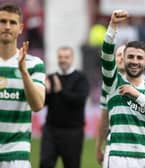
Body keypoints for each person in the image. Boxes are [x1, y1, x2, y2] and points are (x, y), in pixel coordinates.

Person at [99, 9, 145, 168]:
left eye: (139, 58)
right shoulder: (113, 82)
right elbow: (106, 56)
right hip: (118, 157)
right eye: (130, 57)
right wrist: (113, 26)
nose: (134, 61)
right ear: (123, 59)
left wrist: (136, 95)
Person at [0, 3, 45, 168]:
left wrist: (23, 72)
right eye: (2, 21)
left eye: (12, 23)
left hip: (17, 155)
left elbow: (38, 105)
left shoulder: (34, 64)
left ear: (20, 28)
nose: (6, 26)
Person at [39, 46, 89, 168]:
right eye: (60, 57)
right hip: (51, 130)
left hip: (73, 132)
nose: (63, 60)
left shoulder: (81, 78)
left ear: (72, 59)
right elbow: (41, 104)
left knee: (72, 165)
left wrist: (60, 91)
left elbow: (79, 100)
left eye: (66, 57)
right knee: (44, 164)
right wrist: (46, 92)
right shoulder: (50, 78)